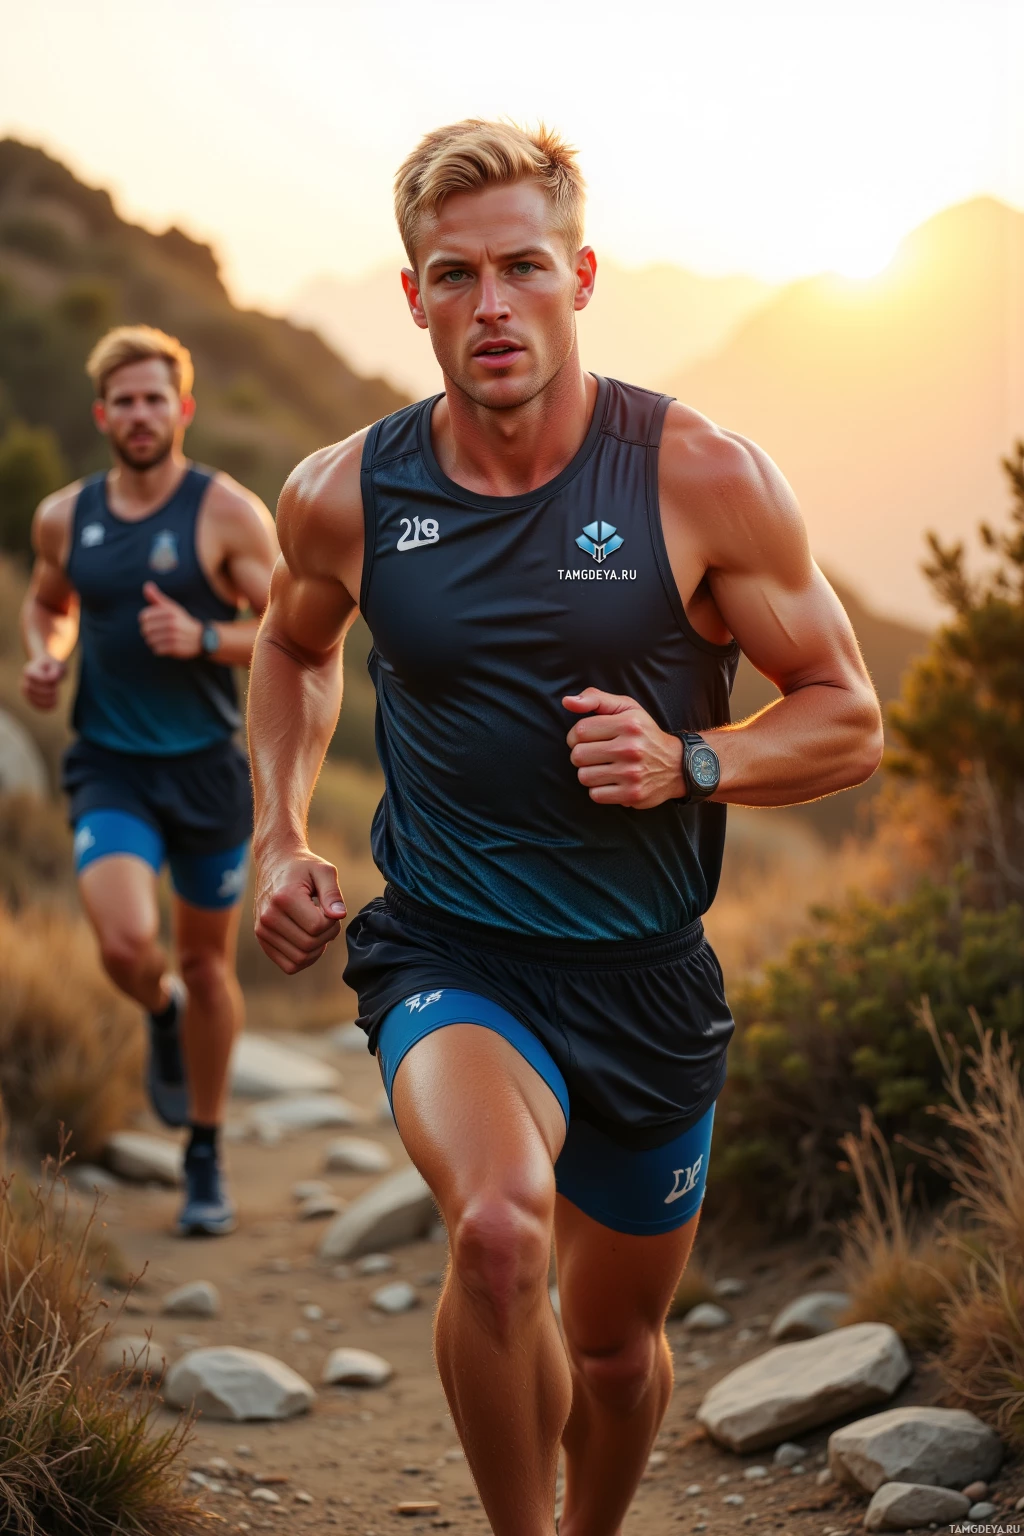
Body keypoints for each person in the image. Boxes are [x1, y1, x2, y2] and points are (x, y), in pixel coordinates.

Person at [248, 121, 884, 1534]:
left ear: (580, 273)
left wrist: (690, 764)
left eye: (522, 267)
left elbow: (848, 713)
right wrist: (279, 833)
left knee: (611, 1350)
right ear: (409, 293)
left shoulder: (702, 476)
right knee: (492, 1234)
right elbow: (291, 654)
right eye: (454, 274)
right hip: (452, 950)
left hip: (646, 978)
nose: (491, 307)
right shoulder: (345, 491)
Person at [21, 325, 277, 1237]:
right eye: (123, 400)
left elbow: (299, 627)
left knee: (209, 962)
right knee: (129, 946)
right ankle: (158, 1010)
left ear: (183, 410)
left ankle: (204, 1153)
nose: (139, 413)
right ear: (103, 414)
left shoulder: (226, 514)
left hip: (209, 772)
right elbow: (50, 601)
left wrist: (206, 637)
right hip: (111, 765)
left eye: (154, 398)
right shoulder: (68, 514)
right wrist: (45, 657)